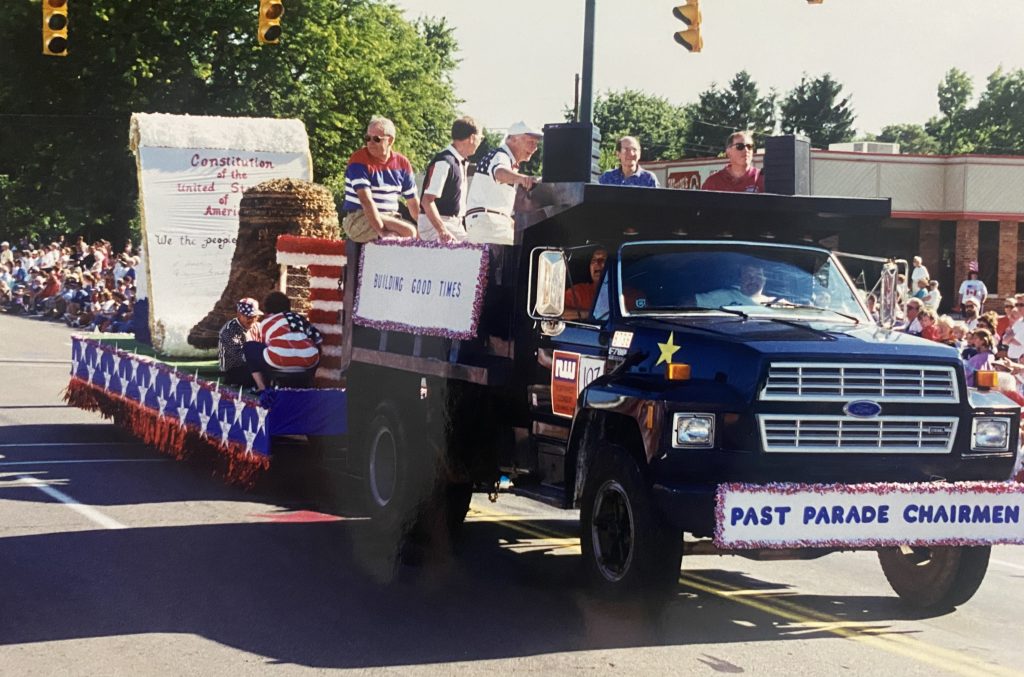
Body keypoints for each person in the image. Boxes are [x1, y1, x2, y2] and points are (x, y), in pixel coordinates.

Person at [341, 116, 419, 243]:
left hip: (391, 217)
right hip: (360, 217)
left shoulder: (402, 163)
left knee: (419, 232)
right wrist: (383, 232)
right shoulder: (359, 159)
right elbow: (365, 200)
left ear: (390, 140)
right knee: (409, 231)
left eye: (376, 139)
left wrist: (427, 229)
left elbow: (413, 203)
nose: (370, 142)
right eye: (368, 138)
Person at [464, 121, 542, 246]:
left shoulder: (507, 161)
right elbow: (499, 173)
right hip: (488, 222)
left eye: (536, 144)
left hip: (488, 222)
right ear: (513, 139)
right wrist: (523, 179)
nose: (535, 148)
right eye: (530, 142)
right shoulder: (501, 155)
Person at [417, 116, 482, 243]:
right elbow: (427, 201)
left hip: (453, 224)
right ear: (472, 138)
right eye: (481, 138)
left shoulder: (457, 162)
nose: (480, 142)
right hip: (436, 225)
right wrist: (442, 230)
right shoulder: (444, 162)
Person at [244, 291, 323, 392]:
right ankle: (310, 382)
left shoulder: (267, 322)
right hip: (309, 362)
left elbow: (265, 345)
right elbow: (318, 339)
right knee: (316, 349)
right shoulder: (300, 318)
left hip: (279, 361)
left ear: (268, 308)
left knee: (249, 347)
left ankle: (261, 387)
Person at [219, 298, 263, 387]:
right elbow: (239, 357)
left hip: (254, 366)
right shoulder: (229, 330)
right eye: (248, 316)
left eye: (254, 316)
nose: (251, 319)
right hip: (235, 370)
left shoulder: (258, 327)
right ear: (239, 315)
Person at [696, 262, 769, 307]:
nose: (753, 280)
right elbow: (688, 304)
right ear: (739, 279)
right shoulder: (722, 296)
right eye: (747, 276)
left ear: (764, 279)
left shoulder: (777, 303)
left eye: (758, 275)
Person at [564, 248, 608, 317]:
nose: (596, 262)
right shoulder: (579, 292)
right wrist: (592, 314)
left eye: (603, 260)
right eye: (593, 260)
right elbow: (557, 313)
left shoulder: (626, 293)